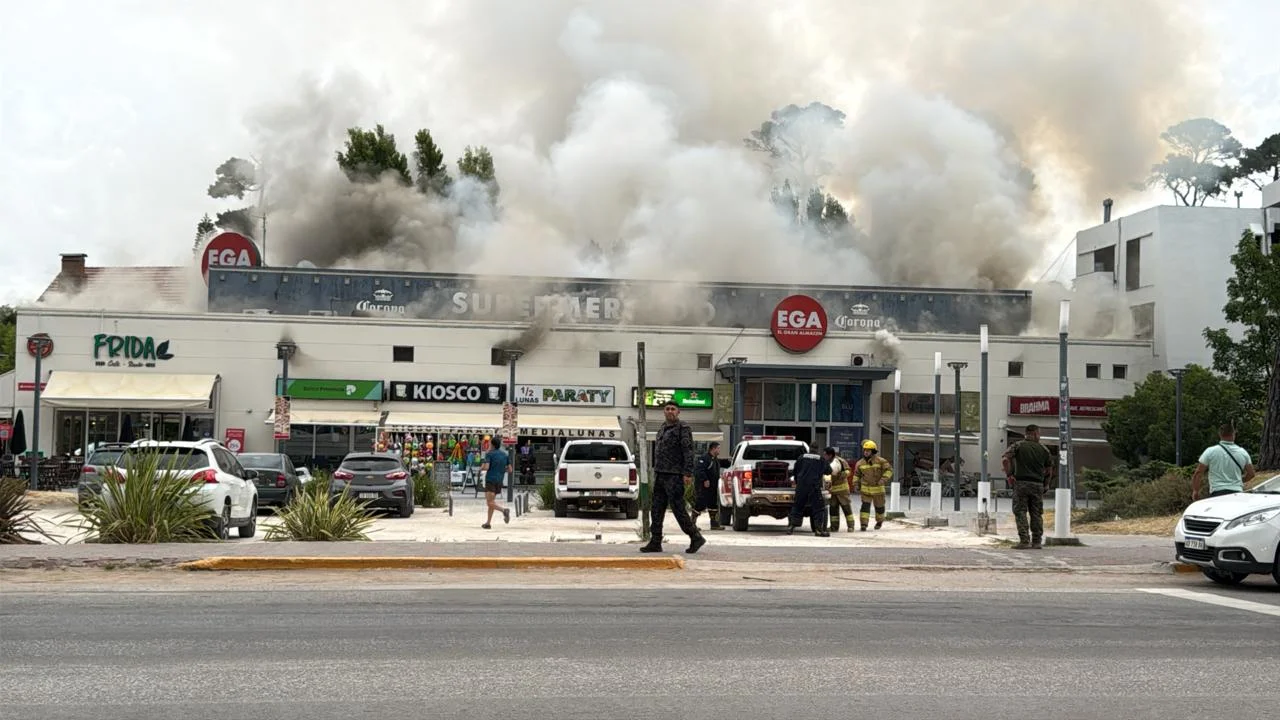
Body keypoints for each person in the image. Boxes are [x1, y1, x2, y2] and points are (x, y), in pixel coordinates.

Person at [640, 400, 706, 554]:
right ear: (664, 411)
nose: (670, 411)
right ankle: (655, 541)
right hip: (661, 474)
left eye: (673, 409)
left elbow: (688, 451)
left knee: (678, 509)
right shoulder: (662, 428)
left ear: (678, 412)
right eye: (667, 409)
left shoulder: (682, 428)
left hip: (674, 475)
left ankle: (695, 536)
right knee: (656, 508)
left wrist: (687, 472)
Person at [1001, 424, 1053, 549]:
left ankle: (1024, 540)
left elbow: (1005, 460)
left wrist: (1009, 475)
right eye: (1039, 434)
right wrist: (1046, 484)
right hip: (1037, 485)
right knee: (1036, 513)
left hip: (1021, 484)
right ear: (1035, 434)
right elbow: (1049, 469)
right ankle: (1037, 541)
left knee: (1020, 512)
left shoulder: (1018, 446)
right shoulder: (1044, 449)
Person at [1192, 422, 1256, 501]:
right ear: (1234, 434)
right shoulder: (1243, 452)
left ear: (1220, 434)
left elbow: (1198, 473)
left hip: (1218, 493)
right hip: (1237, 493)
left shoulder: (1210, 451)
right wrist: (1239, 481)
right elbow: (1251, 474)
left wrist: (1195, 491)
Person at [788, 447, 830, 537]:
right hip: (814, 487)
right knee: (818, 508)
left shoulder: (801, 457)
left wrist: (797, 482)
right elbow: (828, 471)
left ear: (810, 449)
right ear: (817, 450)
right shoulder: (821, 459)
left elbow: (795, 471)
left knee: (797, 506)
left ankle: (791, 528)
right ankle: (818, 530)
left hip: (801, 486)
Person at [853, 439, 893, 531]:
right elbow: (856, 475)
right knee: (865, 507)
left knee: (879, 508)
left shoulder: (881, 461)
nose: (866, 452)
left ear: (873, 451)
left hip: (878, 489)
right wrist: (855, 485)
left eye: (868, 450)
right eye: (865, 450)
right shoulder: (860, 463)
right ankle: (863, 524)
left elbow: (889, 470)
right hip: (866, 490)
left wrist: (883, 480)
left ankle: (879, 521)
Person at [691, 441, 723, 531]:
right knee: (700, 504)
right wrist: (705, 479)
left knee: (713, 505)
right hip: (703, 486)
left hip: (712, 487)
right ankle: (692, 524)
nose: (719, 450)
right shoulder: (705, 458)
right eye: (718, 448)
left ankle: (714, 524)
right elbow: (699, 470)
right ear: (713, 449)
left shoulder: (715, 459)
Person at [478, 442, 512, 529]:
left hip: (490, 479)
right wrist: (501, 469)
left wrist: (481, 468)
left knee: (489, 502)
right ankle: (488, 523)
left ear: (492, 445)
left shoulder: (489, 454)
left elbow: (486, 467)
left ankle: (504, 510)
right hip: (499, 480)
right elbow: (510, 469)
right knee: (492, 502)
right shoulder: (505, 455)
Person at [825, 447, 855, 532]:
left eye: (825, 454)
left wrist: (841, 474)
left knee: (846, 508)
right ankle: (834, 527)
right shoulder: (826, 462)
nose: (824, 456)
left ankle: (851, 526)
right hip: (832, 491)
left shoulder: (840, 461)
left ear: (830, 455)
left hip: (842, 490)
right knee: (833, 510)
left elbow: (848, 471)